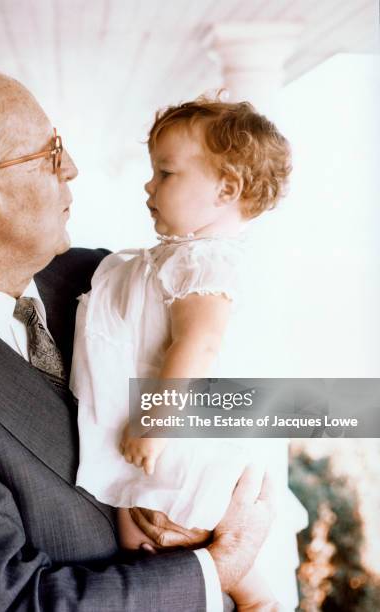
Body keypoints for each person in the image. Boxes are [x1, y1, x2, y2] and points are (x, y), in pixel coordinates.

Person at [0, 65, 276, 612]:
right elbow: (8, 604)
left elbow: (243, 383)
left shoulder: (110, 278)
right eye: (50, 153)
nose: (72, 169)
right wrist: (218, 565)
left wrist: (238, 505)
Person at [70, 97, 308, 610]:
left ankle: (257, 598)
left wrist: (153, 422)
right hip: (165, 435)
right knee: (148, 539)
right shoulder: (182, 258)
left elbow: (198, 344)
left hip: (178, 440)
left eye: (166, 173)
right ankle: (251, 596)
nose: (149, 186)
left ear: (226, 189)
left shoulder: (205, 263)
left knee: (162, 534)